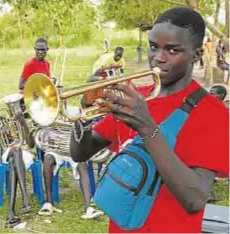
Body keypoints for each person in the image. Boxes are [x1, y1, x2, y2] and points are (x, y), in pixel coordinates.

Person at [70, 7, 229, 233]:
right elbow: (80, 153)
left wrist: (147, 127)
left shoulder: (213, 112)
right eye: (153, 47)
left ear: (196, 54)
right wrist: (82, 114)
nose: (158, 58)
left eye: (172, 50)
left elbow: (195, 200)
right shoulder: (137, 96)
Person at [37, 107, 104, 220]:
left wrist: (81, 124)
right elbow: (41, 133)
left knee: (82, 165)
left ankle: (88, 207)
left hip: (73, 148)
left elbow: (84, 132)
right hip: (55, 148)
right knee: (48, 160)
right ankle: (48, 202)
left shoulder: (75, 111)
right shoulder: (48, 112)